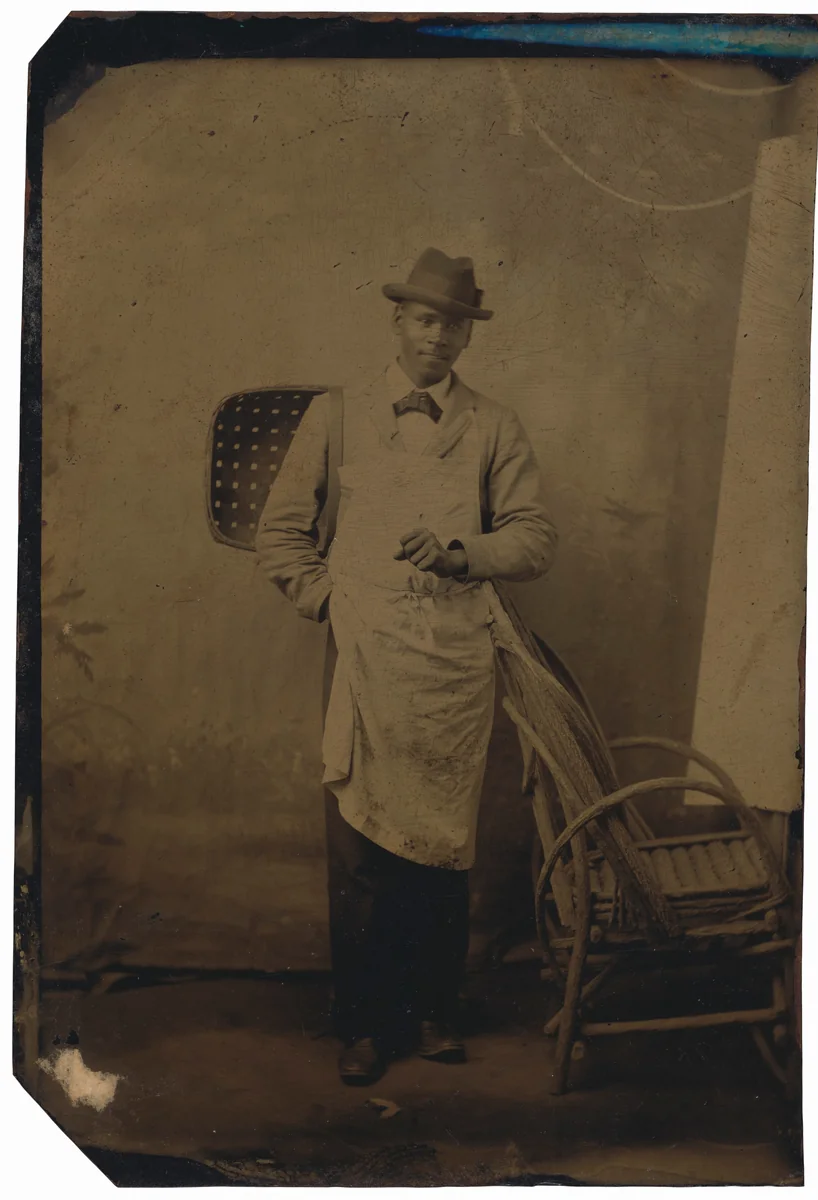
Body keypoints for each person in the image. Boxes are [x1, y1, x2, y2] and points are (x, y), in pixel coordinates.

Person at [256, 247, 557, 1085]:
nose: (437, 337)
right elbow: (281, 532)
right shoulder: (338, 414)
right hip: (363, 653)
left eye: (453, 325)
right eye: (425, 320)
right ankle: (362, 1023)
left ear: (467, 338)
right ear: (396, 322)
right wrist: (331, 601)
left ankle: (433, 1012)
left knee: (439, 841)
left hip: (454, 661)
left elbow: (533, 538)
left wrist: (462, 552)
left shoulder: (493, 425)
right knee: (359, 845)